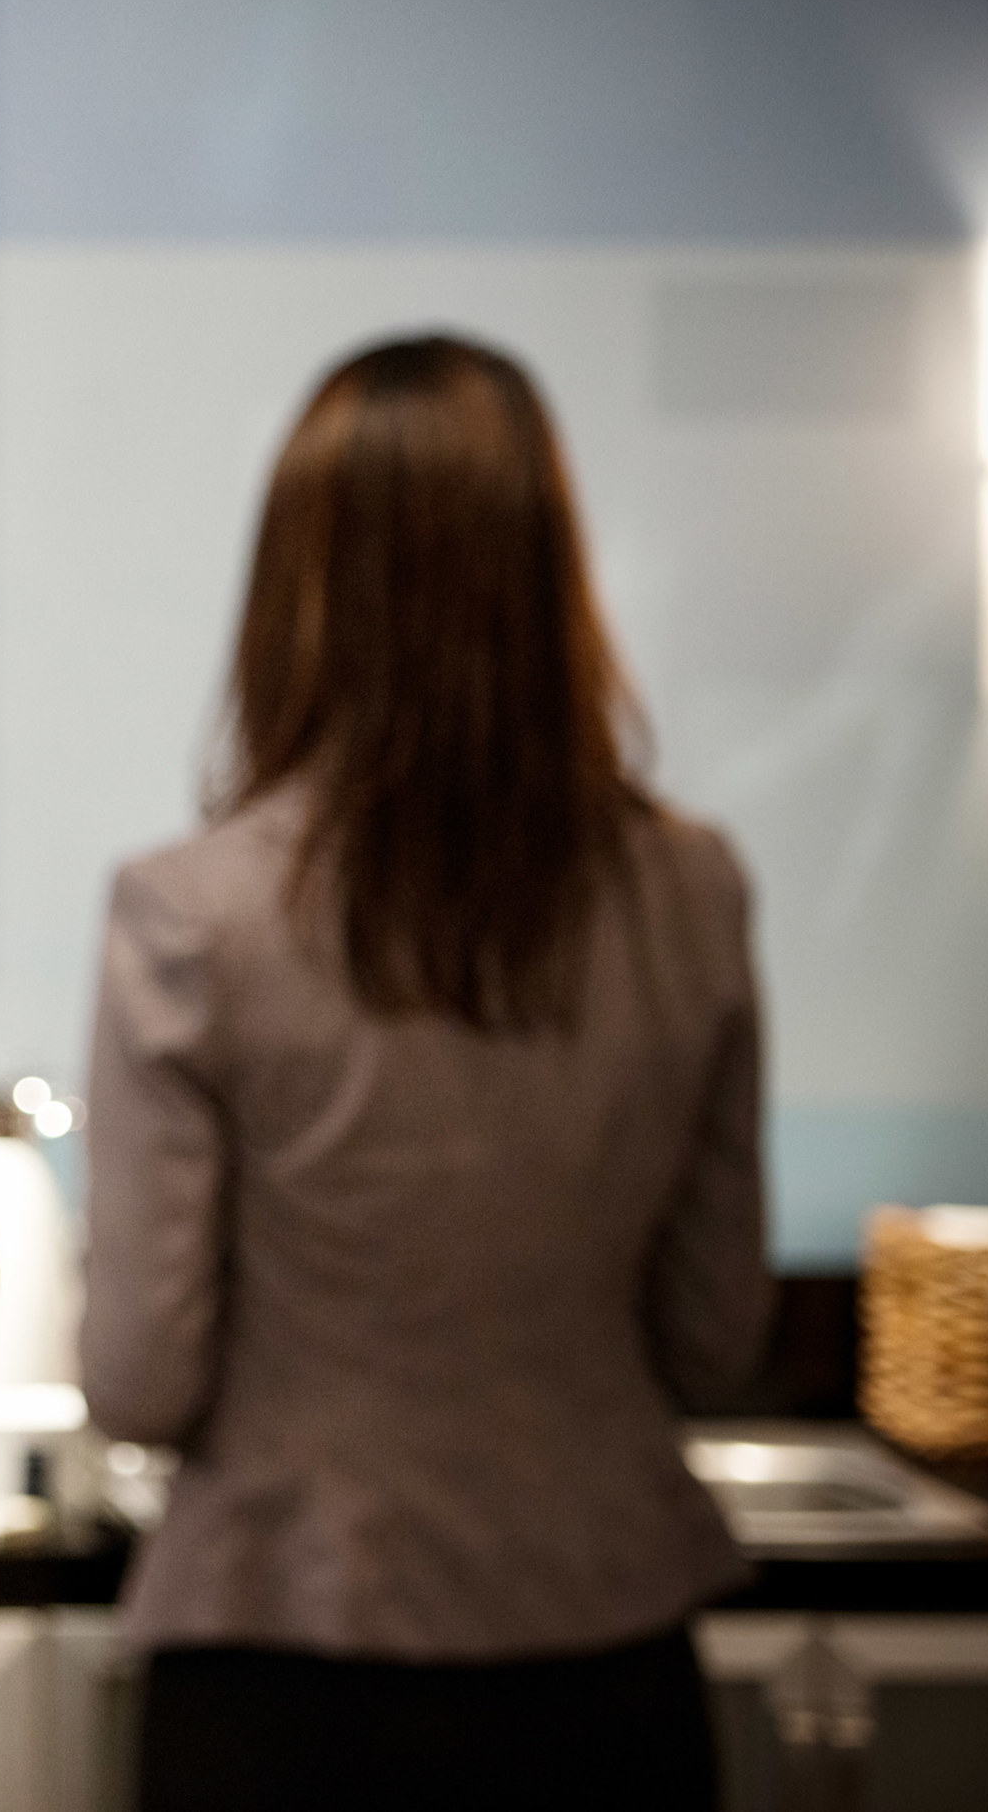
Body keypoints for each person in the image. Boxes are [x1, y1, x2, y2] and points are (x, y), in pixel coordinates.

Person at [77, 334, 772, 1811]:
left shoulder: (191, 911)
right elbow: (717, 1334)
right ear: (547, 579)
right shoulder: (694, 891)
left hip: (284, 1682)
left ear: (296, 588)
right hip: (605, 1677)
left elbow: (143, 1375)